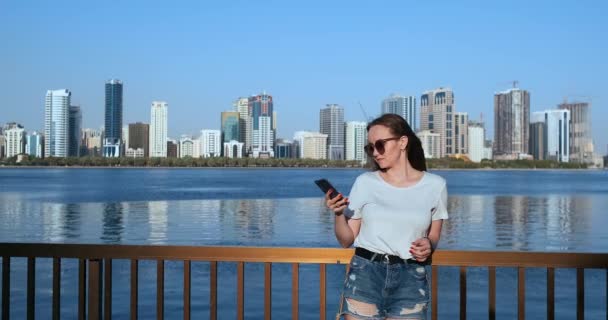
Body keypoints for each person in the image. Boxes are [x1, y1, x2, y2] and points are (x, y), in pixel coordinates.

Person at [325, 114, 448, 320]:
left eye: (380, 145)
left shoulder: (436, 186)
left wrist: (428, 244)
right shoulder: (365, 182)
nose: (375, 153)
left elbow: (434, 237)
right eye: (370, 147)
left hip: (411, 278)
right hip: (365, 274)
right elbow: (346, 240)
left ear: (402, 142)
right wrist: (338, 214)